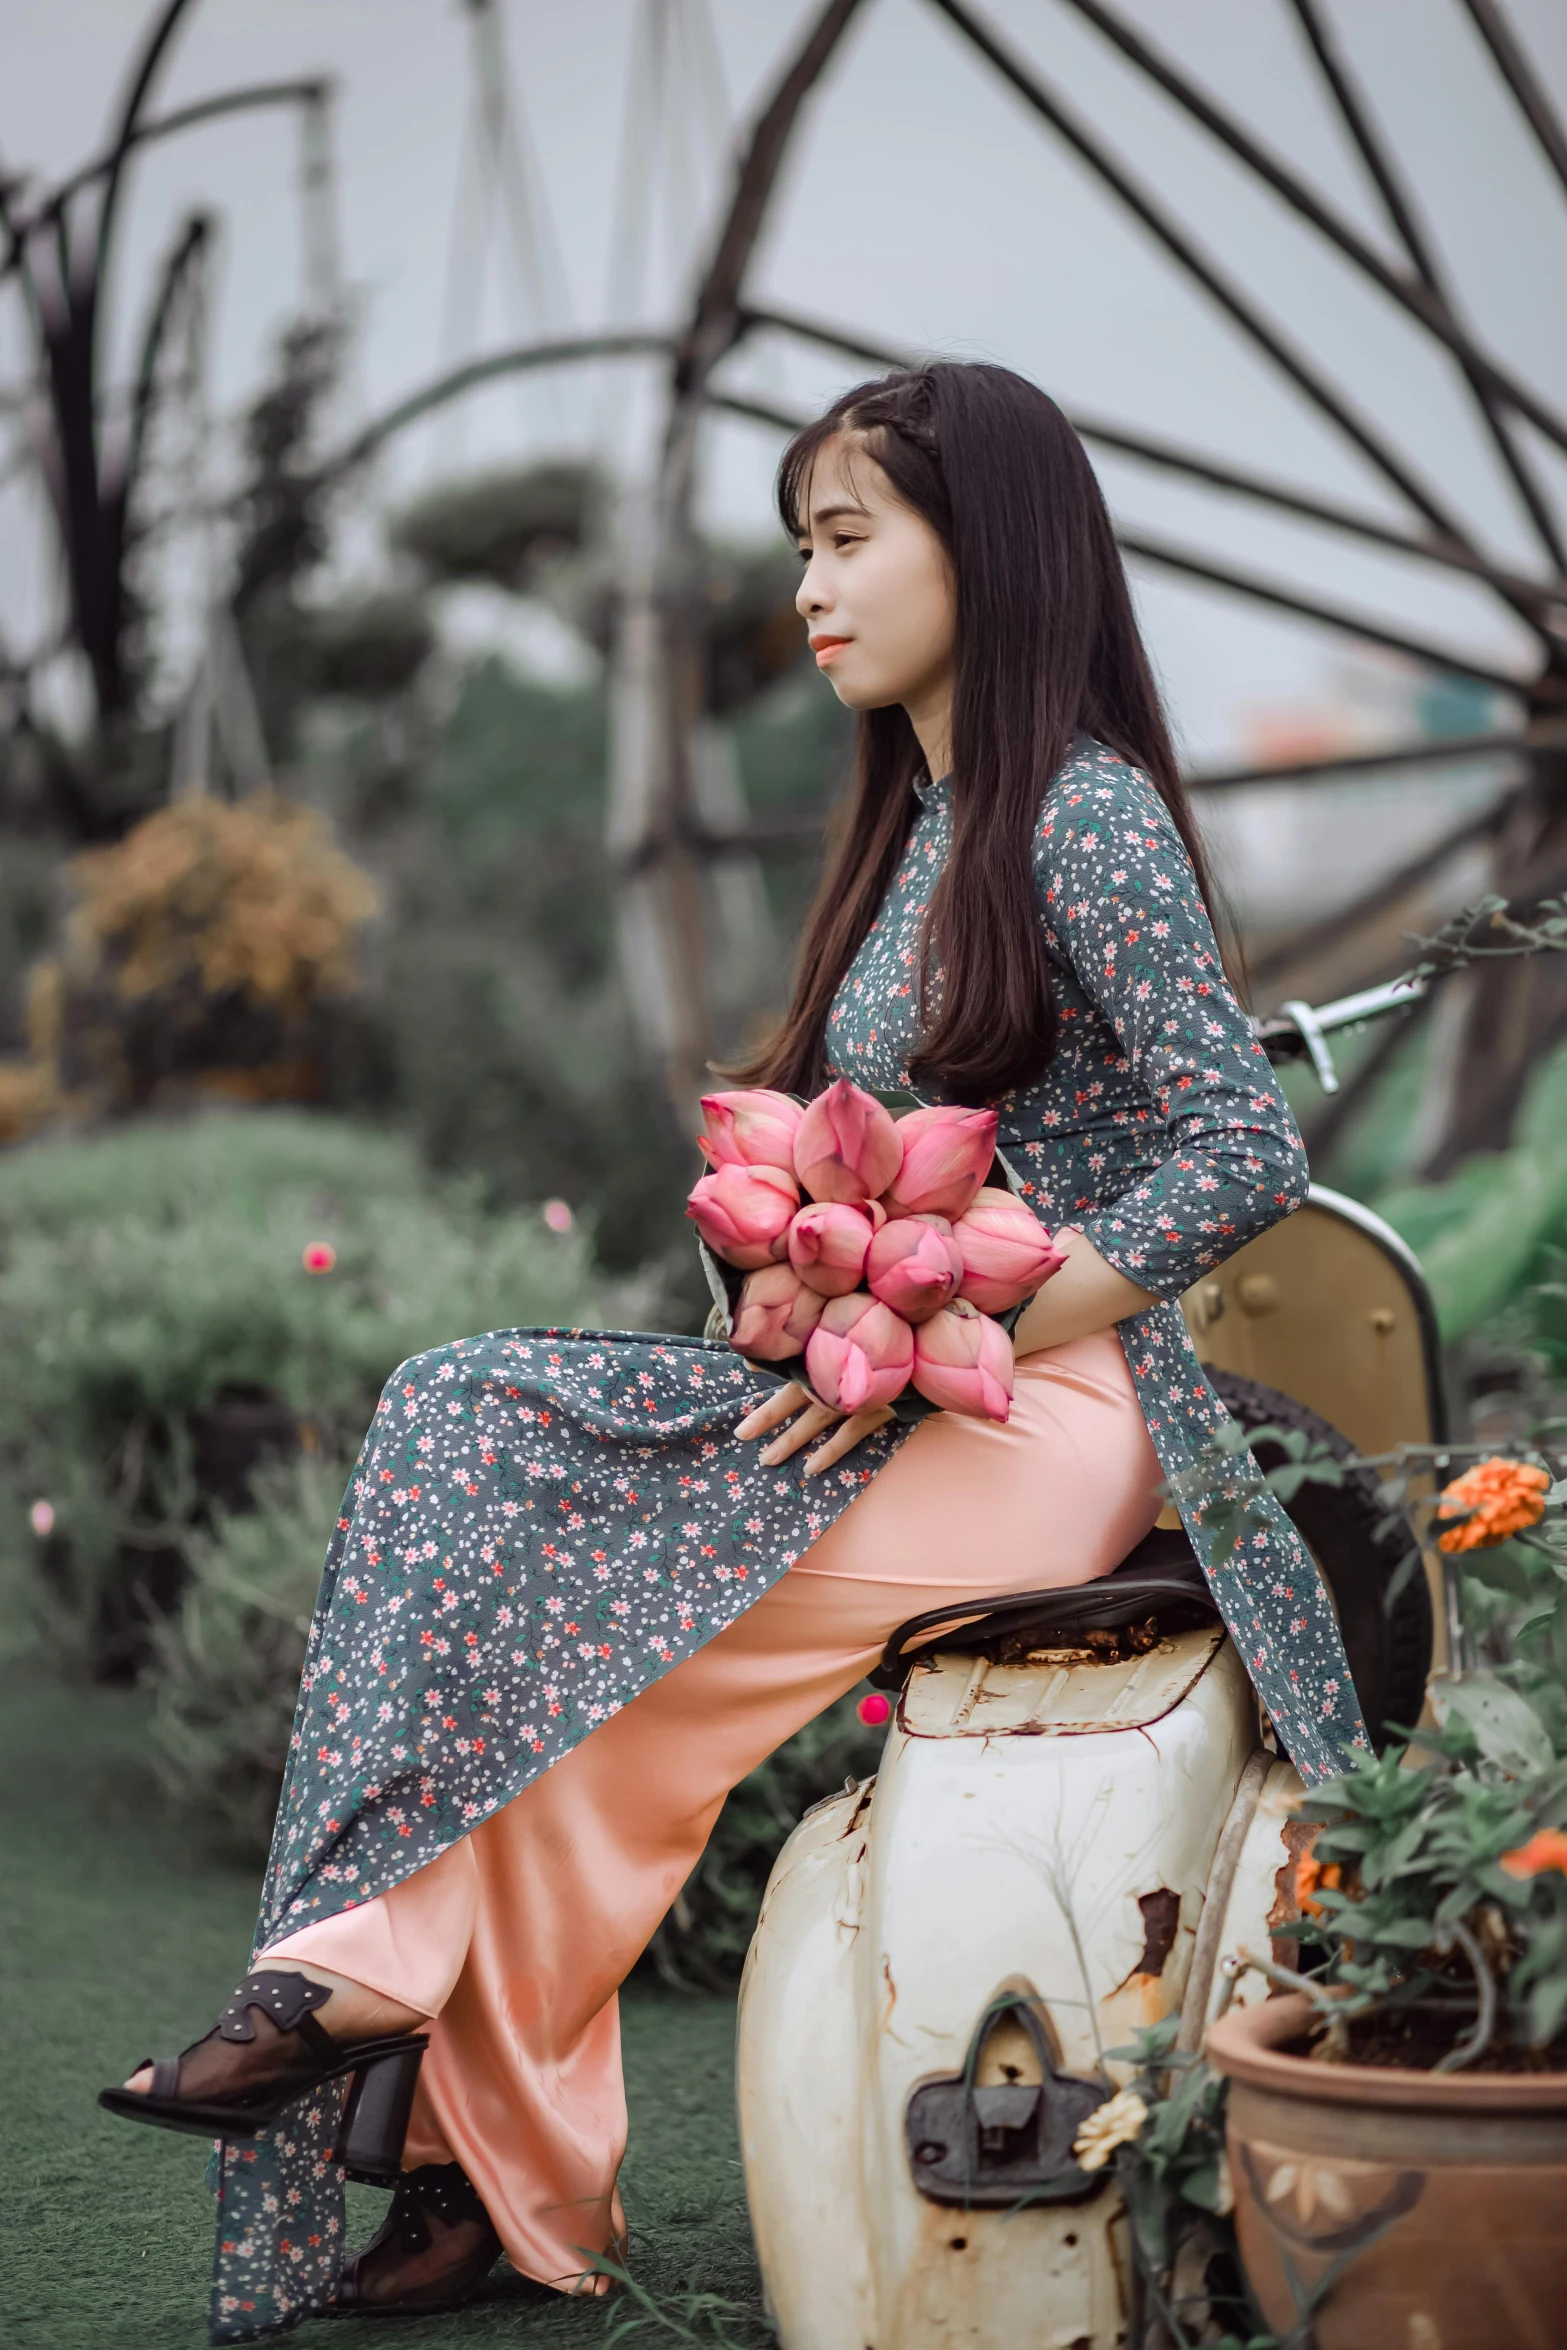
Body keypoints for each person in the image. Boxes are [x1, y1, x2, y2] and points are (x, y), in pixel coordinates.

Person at [101, 364, 1363, 2343]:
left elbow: (1243, 1149)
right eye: (801, 544)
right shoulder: (933, 821)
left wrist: (963, 1307)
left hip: (1058, 1409)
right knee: (540, 1571)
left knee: (535, 1536)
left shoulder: (1084, 814)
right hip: (923, 1381)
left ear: (996, 548)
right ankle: (467, 2166)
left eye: (850, 535)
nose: (809, 587)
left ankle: (354, 1990)